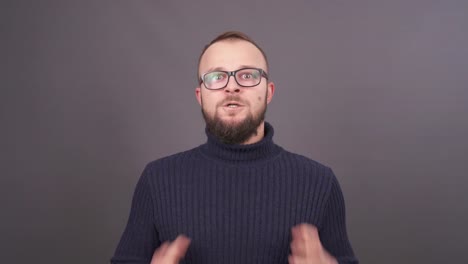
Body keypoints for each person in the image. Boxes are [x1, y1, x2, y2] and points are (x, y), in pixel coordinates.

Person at [111, 31, 358, 264]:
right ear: (200, 95)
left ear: (268, 91)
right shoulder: (156, 180)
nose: (231, 86)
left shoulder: (319, 182)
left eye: (247, 75)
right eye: (216, 77)